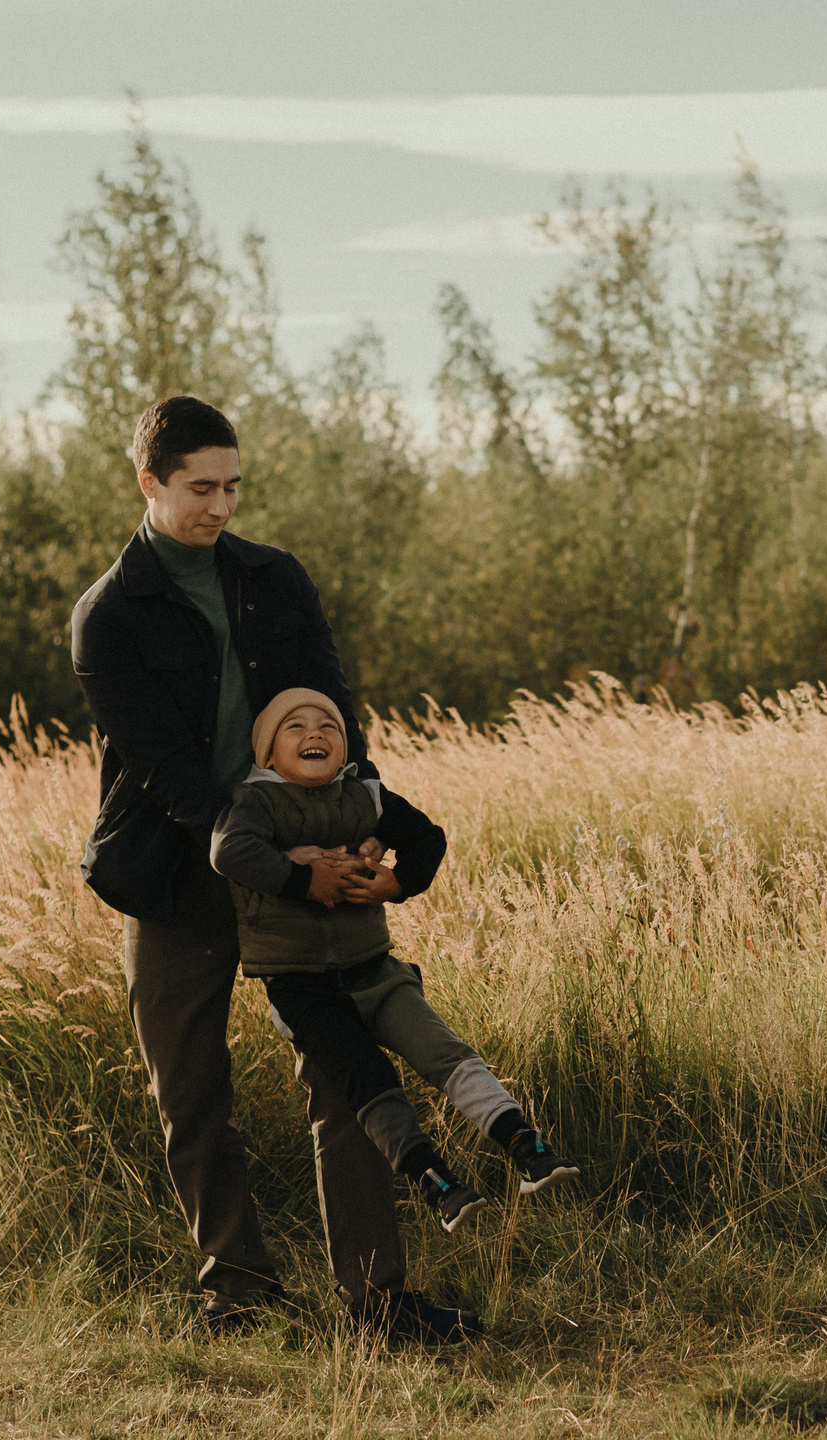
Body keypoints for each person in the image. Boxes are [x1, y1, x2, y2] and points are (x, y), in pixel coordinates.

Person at [69, 394, 476, 1344]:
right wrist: (277, 861)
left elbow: (333, 711)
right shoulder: (108, 616)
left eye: (233, 487)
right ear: (149, 483)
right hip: (178, 873)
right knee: (188, 1090)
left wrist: (359, 825)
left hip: (313, 857)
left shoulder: (275, 578)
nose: (220, 506)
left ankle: (379, 1305)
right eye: (200, 489)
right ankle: (240, 1296)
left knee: (348, 1075)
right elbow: (168, 772)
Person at [210, 688, 581, 1234]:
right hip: (301, 988)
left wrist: (397, 883)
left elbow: (427, 838)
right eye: (295, 727)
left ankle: (528, 1146)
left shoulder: (366, 795)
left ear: (344, 746)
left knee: (445, 1052)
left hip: (376, 970)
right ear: (267, 752)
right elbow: (228, 852)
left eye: (328, 727)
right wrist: (299, 876)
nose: (315, 735)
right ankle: (436, 1182)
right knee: (370, 1079)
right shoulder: (255, 802)